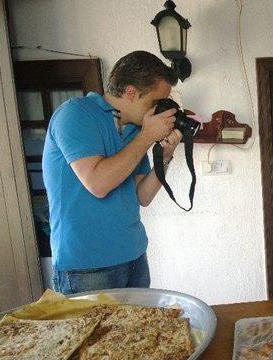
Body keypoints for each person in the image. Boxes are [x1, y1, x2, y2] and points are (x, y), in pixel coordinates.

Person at [42, 50, 183, 295]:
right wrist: (147, 137)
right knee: (94, 335)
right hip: (86, 267)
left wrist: (165, 157)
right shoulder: (75, 115)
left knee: (139, 334)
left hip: (135, 255)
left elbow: (143, 196)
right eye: (155, 102)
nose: (160, 110)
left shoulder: (134, 131)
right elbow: (98, 183)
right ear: (131, 92)